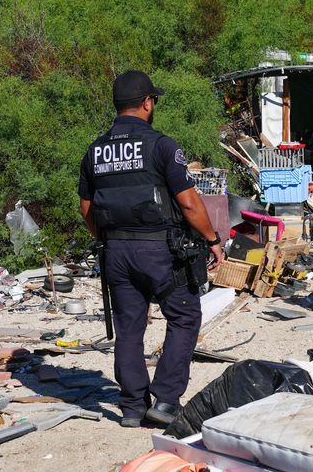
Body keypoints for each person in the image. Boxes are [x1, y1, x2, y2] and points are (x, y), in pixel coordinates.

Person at [78, 70, 223, 428]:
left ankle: (131, 408)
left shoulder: (95, 152)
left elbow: (86, 208)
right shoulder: (162, 146)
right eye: (153, 100)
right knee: (184, 316)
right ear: (147, 103)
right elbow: (189, 203)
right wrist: (212, 240)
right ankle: (167, 400)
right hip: (161, 252)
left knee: (129, 327)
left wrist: (109, 239)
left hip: (116, 253)